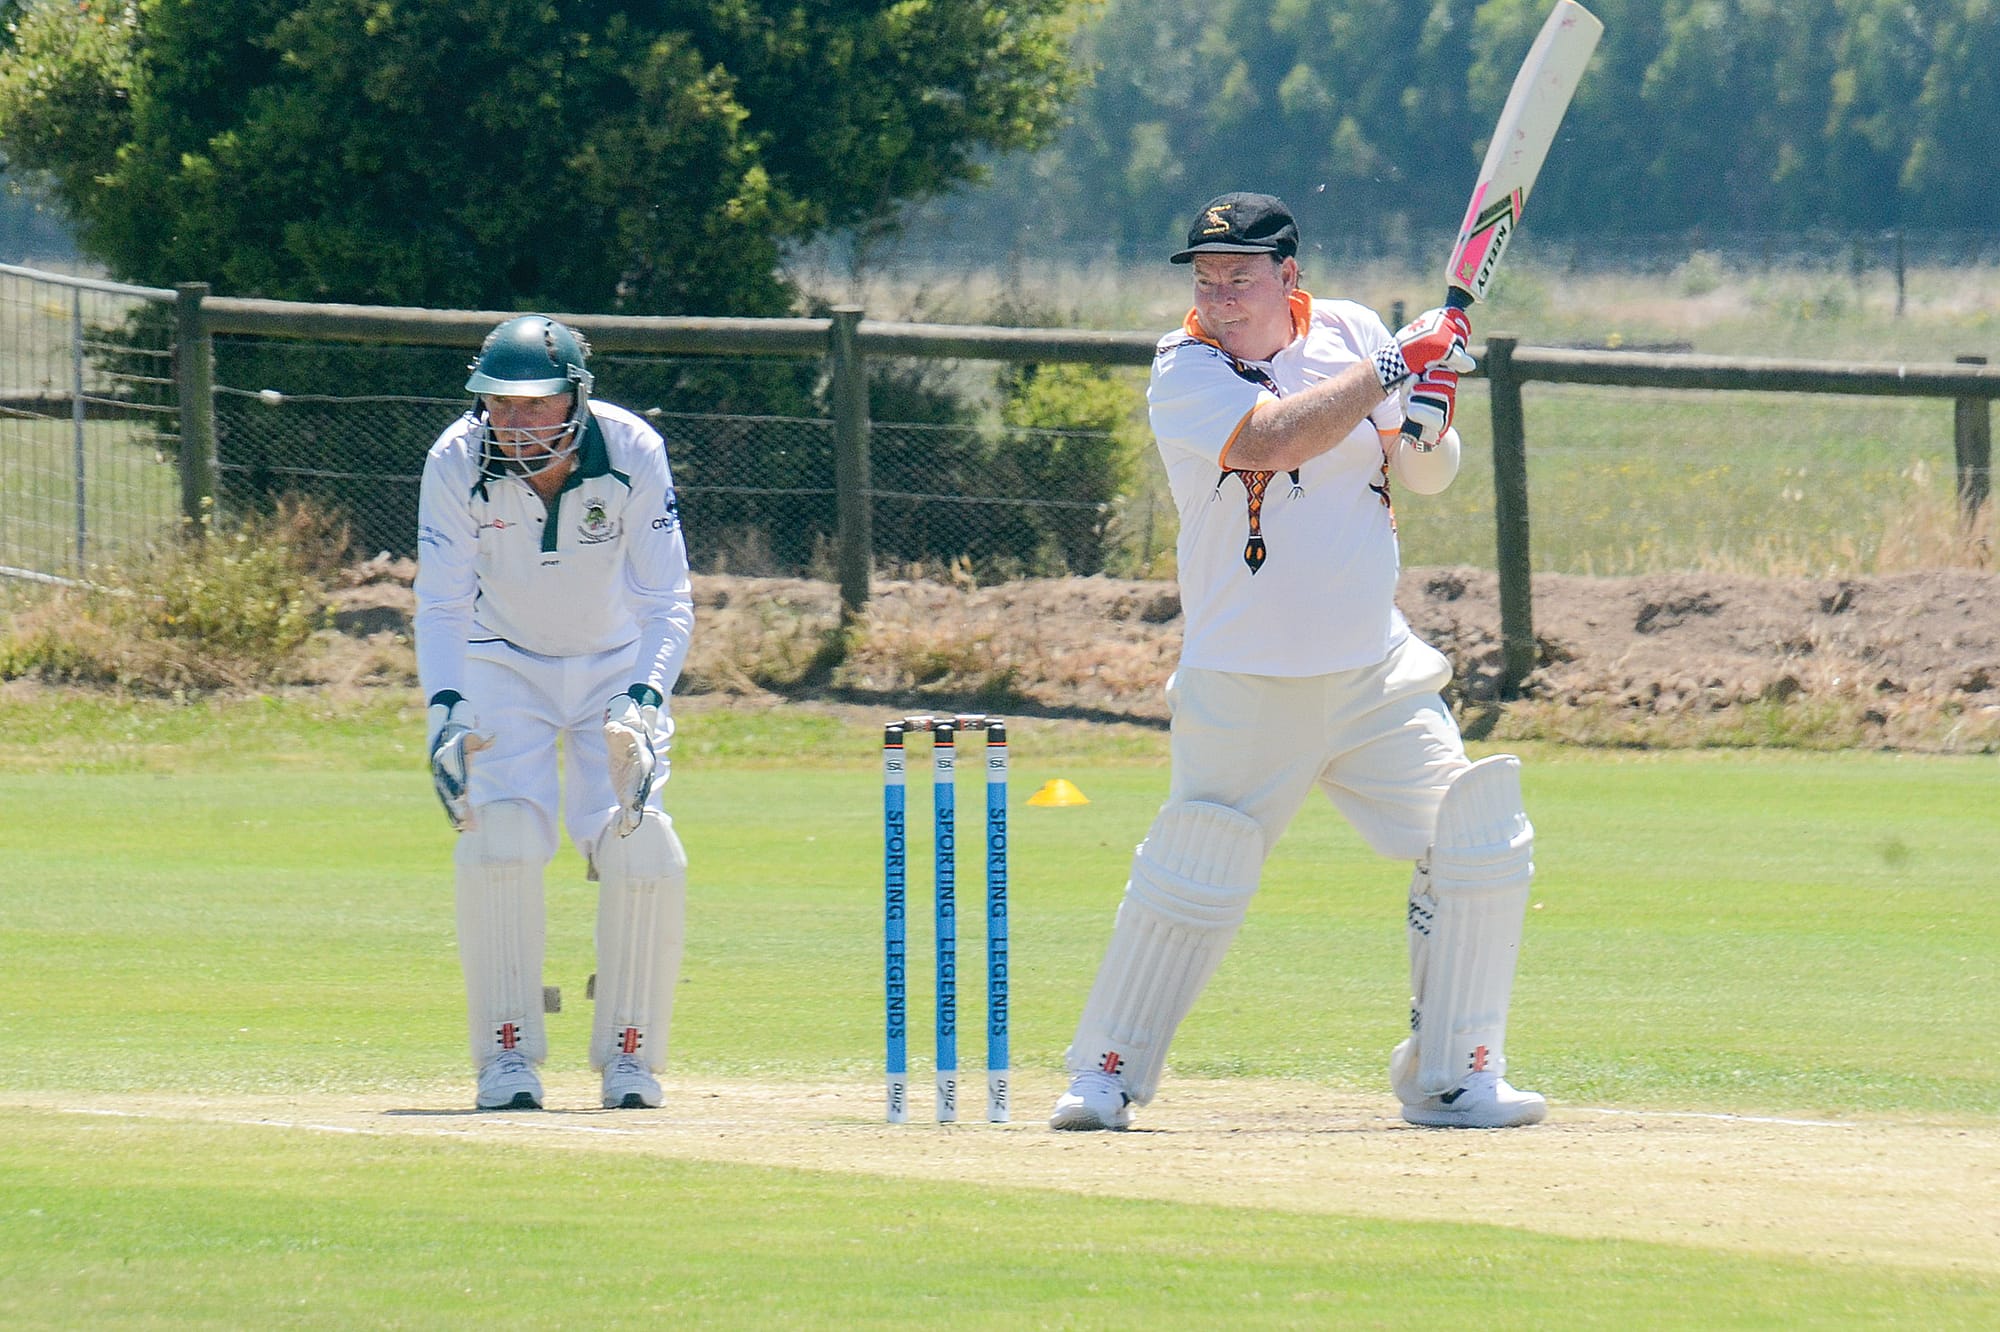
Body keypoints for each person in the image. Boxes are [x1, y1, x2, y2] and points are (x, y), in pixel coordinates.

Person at [1050, 192, 1545, 1132]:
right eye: (1205, 276)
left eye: (1240, 276)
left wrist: (1430, 414)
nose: (1220, 294)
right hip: (1246, 680)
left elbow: (1428, 472)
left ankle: (1455, 1075)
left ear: (1289, 276)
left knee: (1476, 839)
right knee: (1197, 868)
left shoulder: (1351, 332)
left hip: (1374, 673)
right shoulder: (1183, 367)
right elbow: (1275, 440)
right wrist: (1400, 363)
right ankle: (1105, 1071)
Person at [414, 314, 694, 1112]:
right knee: (499, 838)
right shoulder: (456, 459)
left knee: (643, 845)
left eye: (534, 405)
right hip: (501, 660)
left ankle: (629, 1057)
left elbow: (667, 598)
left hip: (614, 662)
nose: (514, 422)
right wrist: (445, 709)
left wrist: (642, 703)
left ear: (575, 398)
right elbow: (438, 601)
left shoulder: (631, 449)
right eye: (499, 404)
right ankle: (506, 1056)